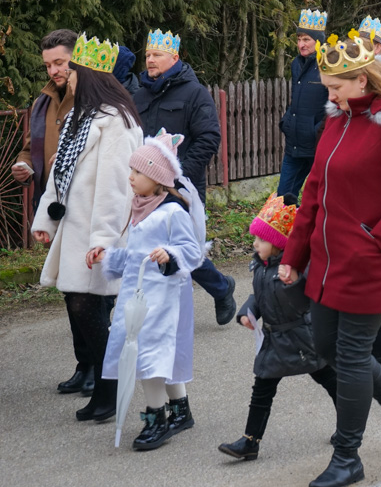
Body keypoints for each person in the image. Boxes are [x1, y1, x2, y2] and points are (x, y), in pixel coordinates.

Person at [278, 30, 381, 487]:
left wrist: (379, 237)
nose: (328, 96)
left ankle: (347, 456)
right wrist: (294, 253)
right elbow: (314, 192)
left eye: (335, 87)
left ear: (364, 79)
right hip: (329, 262)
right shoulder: (338, 119)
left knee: (350, 356)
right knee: (325, 349)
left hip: (370, 260)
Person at [31, 33, 143, 421]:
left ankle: (108, 391)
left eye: (73, 74)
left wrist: (104, 241)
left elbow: (116, 190)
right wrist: (46, 219)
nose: (67, 80)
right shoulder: (82, 117)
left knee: (89, 309)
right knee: (82, 307)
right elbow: (60, 174)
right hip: (75, 229)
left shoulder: (118, 123)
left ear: (91, 78)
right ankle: (103, 388)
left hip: (97, 233)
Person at [90, 130, 205, 450]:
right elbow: (135, 255)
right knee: (152, 352)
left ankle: (158, 419)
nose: (131, 178)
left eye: (138, 172)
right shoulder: (142, 209)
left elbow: (192, 250)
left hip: (163, 297)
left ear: (156, 179)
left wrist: (171, 255)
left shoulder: (171, 212)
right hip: (139, 295)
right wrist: (109, 257)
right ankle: (180, 410)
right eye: (131, 170)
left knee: (148, 355)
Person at [218, 193, 338, 461]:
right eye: (255, 238)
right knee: (262, 388)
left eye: (261, 239)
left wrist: (293, 282)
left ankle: (349, 425)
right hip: (273, 340)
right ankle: (250, 442)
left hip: (301, 337)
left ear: (278, 244)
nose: (255, 243)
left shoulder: (296, 267)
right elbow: (257, 296)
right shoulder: (260, 267)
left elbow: (307, 299)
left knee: (329, 379)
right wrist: (247, 313)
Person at [13, 29, 100, 396]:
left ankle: (100, 367)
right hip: (55, 207)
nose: (53, 71)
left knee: (92, 294)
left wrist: (67, 160)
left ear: (76, 59)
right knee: (70, 292)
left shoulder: (94, 102)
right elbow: (25, 148)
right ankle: (85, 364)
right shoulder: (41, 104)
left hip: (87, 208)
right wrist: (23, 164)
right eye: (48, 64)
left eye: (60, 62)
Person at [134, 28, 237, 325]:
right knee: (146, 245)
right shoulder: (139, 95)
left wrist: (178, 176)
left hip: (182, 186)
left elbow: (209, 138)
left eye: (157, 55)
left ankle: (221, 288)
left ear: (174, 57)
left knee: (179, 246)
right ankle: (148, 309)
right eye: (148, 55)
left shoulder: (194, 93)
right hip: (145, 186)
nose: (150, 60)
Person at [279, 9, 329, 198]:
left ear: (318, 41)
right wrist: (287, 122)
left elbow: (333, 104)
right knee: (283, 197)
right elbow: (296, 98)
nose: (301, 44)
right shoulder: (296, 64)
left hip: (316, 143)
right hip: (294, 141)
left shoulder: (328, 65)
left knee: (316, 197)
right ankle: (289, 228)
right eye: (299, 39)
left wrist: (316, 129)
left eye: (306, 39)